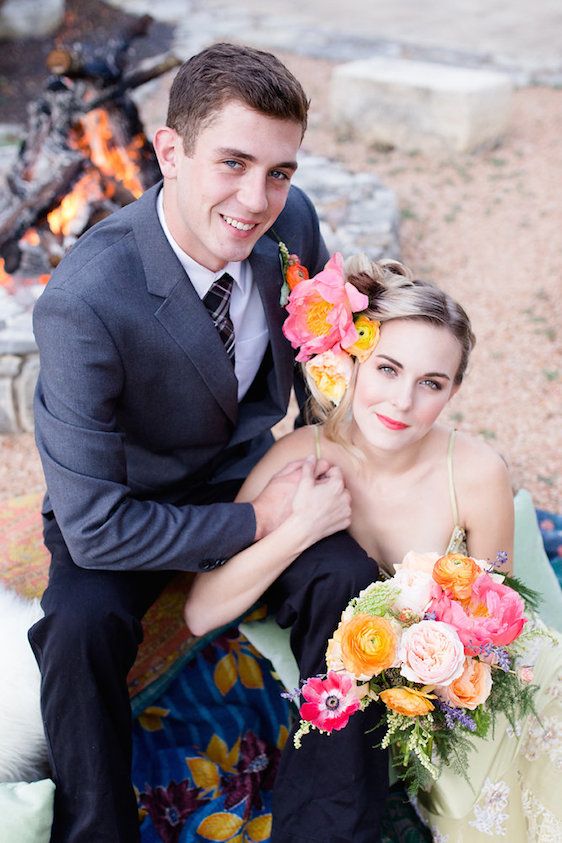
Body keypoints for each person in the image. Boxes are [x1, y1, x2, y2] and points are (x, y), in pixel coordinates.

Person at [30, 42, 369, 843]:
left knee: (349, 574)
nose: (257, 200)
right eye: (233, 163)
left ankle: (330, 826)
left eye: (279, 171)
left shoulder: (294, 222)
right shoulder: (85, 300)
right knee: (77, 631)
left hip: (244, 471)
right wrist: (264, 524)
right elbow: (96, 527)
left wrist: (331, 466)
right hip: (124, 504)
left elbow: (324, 372)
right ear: (170, 152)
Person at [185, 253, 562, 841]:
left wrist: (435, 669)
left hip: (478, 683)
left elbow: (496, 616)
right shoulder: (296, 459)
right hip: (389, 690)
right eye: (387, 369)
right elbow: (202, 610)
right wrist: (300, 529)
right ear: (353, 361)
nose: (402, 403)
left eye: (430, 383)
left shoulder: (478, 471)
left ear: (453, 392)